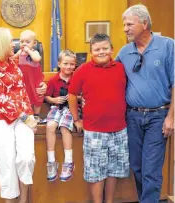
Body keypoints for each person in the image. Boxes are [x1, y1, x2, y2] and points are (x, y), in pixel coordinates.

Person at [116, 4, 174, 203]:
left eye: (129, 24)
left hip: (158, 117)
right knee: (137, 167)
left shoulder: (167, 45)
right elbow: (110, 77)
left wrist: (171, 117)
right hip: (132, 117)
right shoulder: (124, 52)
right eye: (124, 25)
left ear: (144, 23)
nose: (125, 29)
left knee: (151, 170)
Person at [68, 33, 130, 203]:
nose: (101, 52)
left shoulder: (120, 68)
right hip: (94, 131)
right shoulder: (82, 70)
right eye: (97, 49)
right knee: (96, 172)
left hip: (119, 129)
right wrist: (76, 119)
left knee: (114, 171)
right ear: (91, 52)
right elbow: (72, 95)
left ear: (112, 50)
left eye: (105, 48)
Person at [0, 27, 37, 203]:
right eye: (11, 41)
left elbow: (23, 88)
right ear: (0, 44)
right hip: (0, 119)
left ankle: (24, 200)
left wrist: (30, 114)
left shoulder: (12, 61)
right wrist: (25, 117)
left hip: (24, 115)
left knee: (26, 158)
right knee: (8, 167)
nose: (15, 44)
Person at [45, 49, 77, 182]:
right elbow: (46, 96)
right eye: (65, 63)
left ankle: (68, 162)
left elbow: (84, 95)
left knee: (64, 127)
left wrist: (74, 98)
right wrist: (53, 100)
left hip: (71, 109)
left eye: (72, 64)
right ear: (59, 64)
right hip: (57, 108)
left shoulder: (77, 78)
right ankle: (51, 162)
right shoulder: (53, 80)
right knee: (50, 126)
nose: (69, 67)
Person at [13, 30, 45, 122]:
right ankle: (28, 113)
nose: (24, 44)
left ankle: (37, 115)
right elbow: (13, 58)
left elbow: (37, 59)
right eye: (22, 41)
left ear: (34, 43)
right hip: (23, 79)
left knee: (37, 96)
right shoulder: (20, 52)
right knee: (26, 95)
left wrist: (29, 51)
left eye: (27, 42)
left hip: (34, 79)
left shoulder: (34, 52)